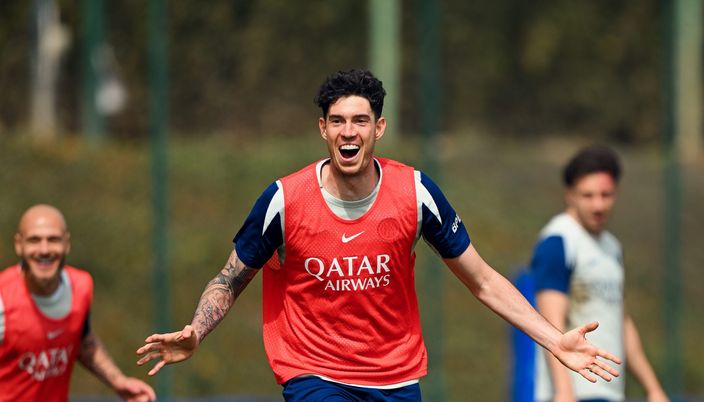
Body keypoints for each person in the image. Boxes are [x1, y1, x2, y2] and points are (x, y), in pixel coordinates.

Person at [137, 69, 621, 401]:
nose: (349, 132)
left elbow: (483, 280)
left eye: (360, 121)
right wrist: (197, 329)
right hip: (314, 372)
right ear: (323, 128)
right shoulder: (285, 200)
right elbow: (229, 278)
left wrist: (554, 341)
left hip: (395, 376)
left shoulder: (415, 194)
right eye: (338, 121)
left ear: (379, 127)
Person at [529, 146, 668, 402]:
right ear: (570, 195)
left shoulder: (612, 247)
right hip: (574, 392)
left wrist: (653, 389)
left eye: (606, 195)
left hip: (608, 391)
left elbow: (621, 321)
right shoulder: (559, 241)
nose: (598, 205)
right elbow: (550, 321)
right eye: (588, 195)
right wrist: (564, 391)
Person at [0, 204, 156, 402]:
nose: (44, 250)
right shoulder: (3, 298)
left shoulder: (81, 287)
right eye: (34, 240)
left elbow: (82, 339)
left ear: (67, 243)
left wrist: (119, 381)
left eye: (53, 239)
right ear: (19, 245)